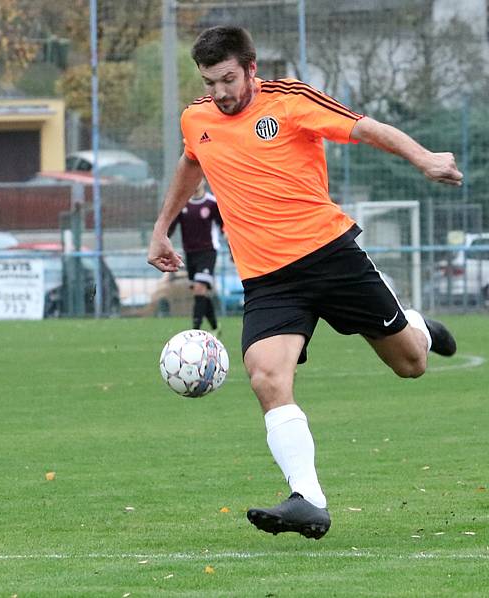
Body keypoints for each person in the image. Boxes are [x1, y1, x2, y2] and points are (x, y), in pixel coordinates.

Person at [147, 26, 461, 540]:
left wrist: (423, 158)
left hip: (330, 257)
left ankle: (418, 328)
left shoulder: (290, 102)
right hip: (268, 279)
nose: (220, 92)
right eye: (210, 81)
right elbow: (191, 160)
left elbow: (366, 128)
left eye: (228, 79)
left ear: (251, 68)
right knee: (267, 377)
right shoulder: (197, 118)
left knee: (411, 364)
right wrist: (161, 228)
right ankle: (308, 500)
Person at [167, 178, 223, 334]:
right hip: (190, 253)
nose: (196, 182)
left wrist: (233, 248)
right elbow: (170, 227)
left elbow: (224, 226)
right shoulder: (183, 203)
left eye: (199, 179)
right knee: (200, 292)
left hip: (208, 252)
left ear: (203, 182)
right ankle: (215, 326)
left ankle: (195, 331)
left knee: (199, 288)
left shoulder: (212, 203)